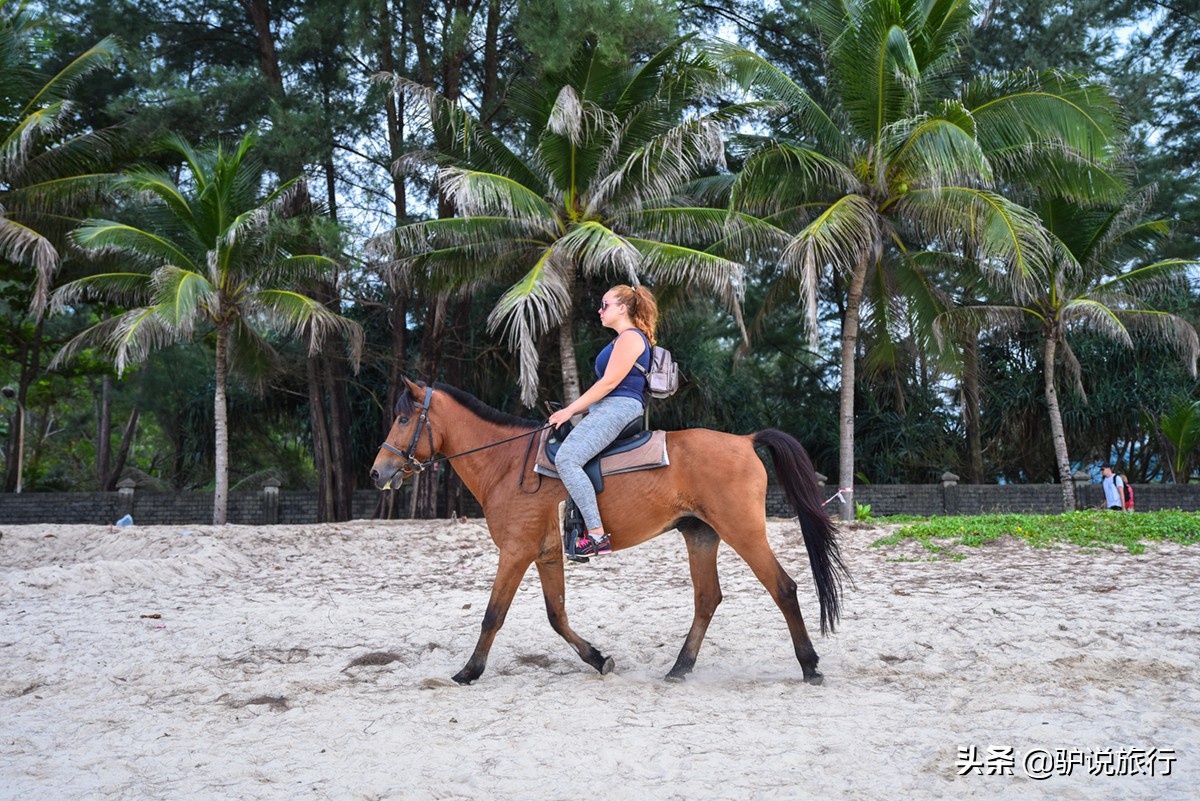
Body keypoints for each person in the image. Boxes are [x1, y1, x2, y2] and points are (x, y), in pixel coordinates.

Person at [547, 284, 656, 556]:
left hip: (618, 406)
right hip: (608, 406)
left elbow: (608, 384)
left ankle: (596, 535)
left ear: (622, 308)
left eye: (605, 305)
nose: (600, 310)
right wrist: (575, 410)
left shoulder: (630, 338)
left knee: (567, 460)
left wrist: (569, 411)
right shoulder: (622, 339)